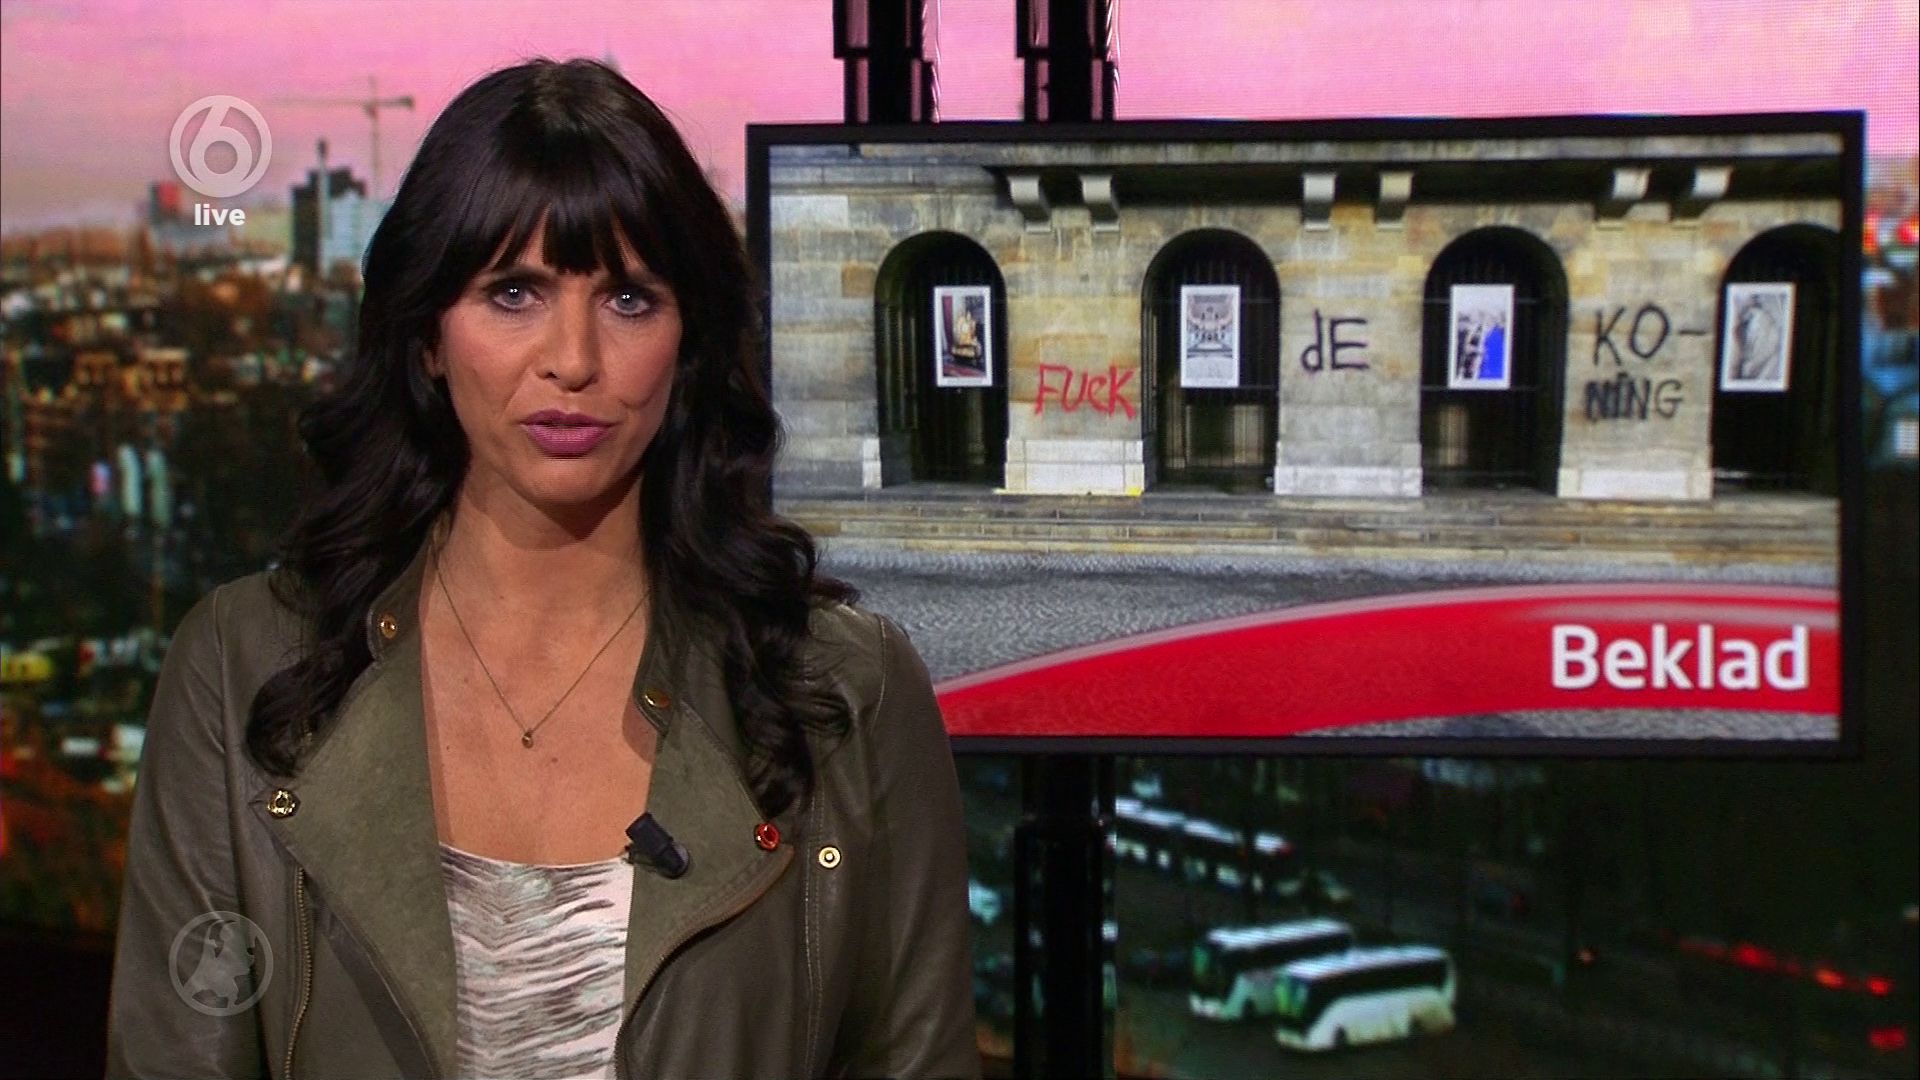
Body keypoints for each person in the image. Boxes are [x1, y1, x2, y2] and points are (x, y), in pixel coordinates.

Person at [104, 56, 978, 1079]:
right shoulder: (243, 666)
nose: (573, 360)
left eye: (629, 300)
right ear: (427, 337)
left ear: (690, 341)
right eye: (514, 292)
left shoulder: (845, 692)